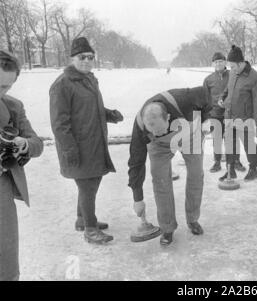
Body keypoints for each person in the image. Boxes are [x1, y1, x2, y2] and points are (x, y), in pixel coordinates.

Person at [50, 37, 124, 244]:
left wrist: (109, 114)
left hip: (93, 143)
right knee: (88, 186)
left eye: (91, 57)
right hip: (77, 147)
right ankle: (90, 229)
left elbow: (89, 108)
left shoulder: (89, 79)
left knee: (90, 183)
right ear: (72, 58)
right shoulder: (62, 84)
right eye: (82, 57)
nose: (87, 61)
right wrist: (69, 150)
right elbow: (59, 123)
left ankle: (82, 219)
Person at [128, 87, 212, 246]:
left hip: (190, 135)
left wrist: (206, 118)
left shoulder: (185, 98)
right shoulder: (140, 126)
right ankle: (167, 227)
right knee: (160, 182)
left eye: (160, 130)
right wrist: (137, 197)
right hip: (160, 147)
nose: (157, 133)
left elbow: (207, 95)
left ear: (168, 117)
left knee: (195, 175)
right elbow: (135, 162)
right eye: (152, 131)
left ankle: (193, 219)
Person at [0, 50, 43, 280]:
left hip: (1, 188)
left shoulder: (13, 107)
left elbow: (37, 144)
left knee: (5, 256)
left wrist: (23, 144)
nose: (0, 92)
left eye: (5, 87)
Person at [218, 45, 257, 182]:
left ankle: (253, 169)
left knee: (248, 143)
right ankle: (230, 170)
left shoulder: (255, 78)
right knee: (229, 143)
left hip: (245, 117)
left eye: (232, 66)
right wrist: (222, 98)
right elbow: (228, 89)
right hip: (229, 114)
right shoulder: (233, 73)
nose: (230, 69)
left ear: (240, 63)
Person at [203, 52, 245, 173]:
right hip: (215, 114)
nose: (218, 64)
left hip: (231, 113)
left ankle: (236, 161)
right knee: (217, 138)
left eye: (221, 61)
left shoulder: (233, 75)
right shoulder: (208, 79)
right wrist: (207, 115)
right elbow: (205, 99)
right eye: (216, 62)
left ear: (225, 62)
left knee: (233, 139)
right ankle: (217, 162)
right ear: (213, 64)